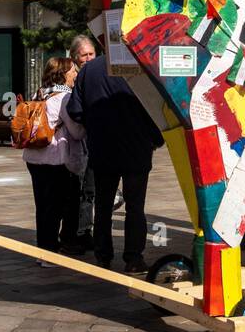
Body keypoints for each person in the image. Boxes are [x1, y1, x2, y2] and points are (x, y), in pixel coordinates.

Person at [64, 53, 165, 273]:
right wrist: (156, 139)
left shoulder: (90, 70)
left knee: (103, 205)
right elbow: (155, 109)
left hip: (102, 148)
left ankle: (103, 256)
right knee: (135, 206)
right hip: (137, 147)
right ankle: (133, 258)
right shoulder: (142, 66)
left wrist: (96, 124)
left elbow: (75, 110)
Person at [23, 57, 88, 256]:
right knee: (56, 208)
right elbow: (76, 133)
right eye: (73, 71)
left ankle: (44, 247)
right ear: (63, 74)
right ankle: (49, 252)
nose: (76, 74)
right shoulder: (65, 98)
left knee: (42, 206)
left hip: (33, 158)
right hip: (55, 160)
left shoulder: (39, 93)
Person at [69, 35, 99, 248]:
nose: (88, 59)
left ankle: (84, 231)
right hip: (76, 144)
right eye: (84, 55)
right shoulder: (71, 78)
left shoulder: (97, 75)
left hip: (93, 142)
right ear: (74, 57)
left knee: (90, 190)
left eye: (91, 54)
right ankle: (78, 233)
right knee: (80, 191)